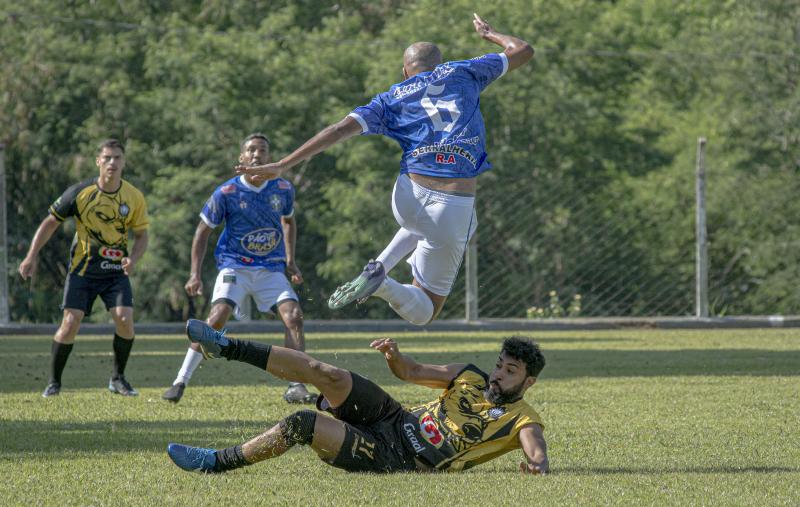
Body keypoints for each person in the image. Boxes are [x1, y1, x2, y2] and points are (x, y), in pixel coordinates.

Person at [236, 14, 534, 325]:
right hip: (451, 205)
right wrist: (489, 34)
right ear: (440, 63)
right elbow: (523, 50)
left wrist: (283, 164)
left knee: (433, 225)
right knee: (425, 312)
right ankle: (383, 284)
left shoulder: (391, 98)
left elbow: (338, 129)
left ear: (405, 71)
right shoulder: (464, 71)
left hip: (407, 196)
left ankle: (378, 266)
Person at [166, 319, 548, 475]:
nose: (498, 374)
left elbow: (536, 451)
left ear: (528, 381)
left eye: (510, 371)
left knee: (303, 424)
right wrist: (394, 356)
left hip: (398, 458)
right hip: (394, 417)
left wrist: (537, 466)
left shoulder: (522, 419)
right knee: (327, 374)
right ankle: (226, 346)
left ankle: (215, 462)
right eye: (499, 365)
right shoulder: (468, 375)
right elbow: (412, 372)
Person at [162, 133, 316, 405]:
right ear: (241, 157)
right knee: (217, 318)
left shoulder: (283, 188)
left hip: (270, 268)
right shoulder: (227, 192)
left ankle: (296, 385)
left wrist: (290, 260)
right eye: (251, 150)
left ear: (269, 157)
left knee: (294, 316)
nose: (257, 154)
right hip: (235, 265)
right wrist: (194, 273)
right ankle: (180, 380)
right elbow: (202, 231)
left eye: (262, 150)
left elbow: (289, 221)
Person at [19, 139, 149, 397]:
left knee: (125, 320)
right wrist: (31, 256)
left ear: (124, 162)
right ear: (98, 161)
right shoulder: (80, 192)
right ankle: (54, 383)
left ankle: (118, 379)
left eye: (117, 158)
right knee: (70, 323)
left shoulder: (134, 196)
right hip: (83, 271)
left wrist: (133, 259)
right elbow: (50, 222)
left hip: (115, 273)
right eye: (107, 157)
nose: (112, 162)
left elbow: (142, 235)